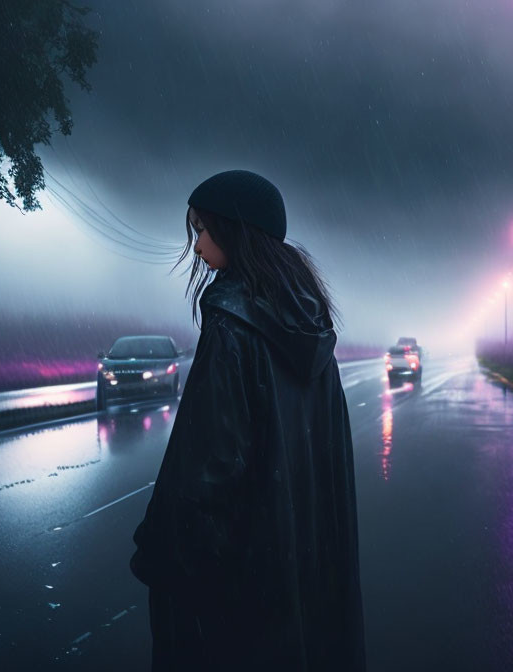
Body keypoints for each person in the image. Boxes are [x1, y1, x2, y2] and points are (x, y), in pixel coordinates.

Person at [129, 170, 366, 671]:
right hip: (301, 569)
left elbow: (206, 471)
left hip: (245, 580)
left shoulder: (232, 330)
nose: (195, 248)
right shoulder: (313, 331)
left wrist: (166, 554)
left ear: (234, 230)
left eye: (201, 231)